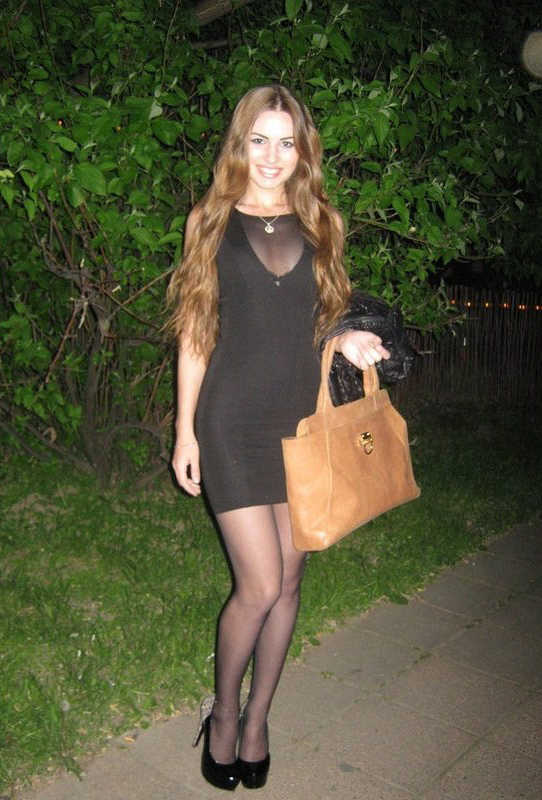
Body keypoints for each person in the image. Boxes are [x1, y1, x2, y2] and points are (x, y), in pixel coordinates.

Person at [167, 85, 390, 791]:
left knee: (291, 580)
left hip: (303, 420)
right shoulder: (210, 219)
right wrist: (184, 431)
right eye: (258, 140)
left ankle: (259, 719)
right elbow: (196, 333)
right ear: (240, 144)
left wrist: (347, 337)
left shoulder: (322, 221)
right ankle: (223, 716)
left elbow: (327, 316)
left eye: (286, 142)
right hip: (231, 419)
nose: (271, 156)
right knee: (260, 583)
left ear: (303, 150)